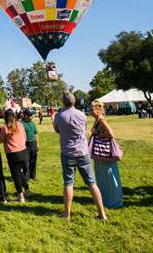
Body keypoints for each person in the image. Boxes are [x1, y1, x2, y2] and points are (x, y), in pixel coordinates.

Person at [53, 91, 107, 220]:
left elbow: (57, 130)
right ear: (74, 101)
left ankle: (67, 215)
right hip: (83, 152)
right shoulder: (82, 115)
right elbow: (85, 128)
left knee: (68, 183)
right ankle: (102, 214)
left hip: (68, 153)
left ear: (63, 102)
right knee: (92, 183)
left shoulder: (59, 116)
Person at [90, 101, 123, 208]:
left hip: (105, 154)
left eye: (92, 108)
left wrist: (98, 134)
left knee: (109, 177)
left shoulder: (101, 120)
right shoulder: (98, 119)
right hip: (101, 154)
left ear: (98, 109)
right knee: (103, 177)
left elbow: (111, 134)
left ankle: (113, 201)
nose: (90, 111)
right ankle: (105, 199)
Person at [0, 109, 31, 203]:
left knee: (16, 176)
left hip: (13, 154)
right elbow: (25, 138)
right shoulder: (20, 124)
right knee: (20, 173)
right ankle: (27, 191)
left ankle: (21, 197)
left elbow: (0, 140)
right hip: (23, 152)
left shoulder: (5, 127)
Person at [21, 109, 39, 180]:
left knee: (33, 160)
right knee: (26, 162)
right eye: (31, 115)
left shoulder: (32, 123)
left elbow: (36, 133)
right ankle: (26, 176)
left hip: (33, 143)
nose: (32, 116)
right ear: (25, 115)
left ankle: (33, 175)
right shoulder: (21, 124)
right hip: (25, 145)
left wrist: (38, 144)